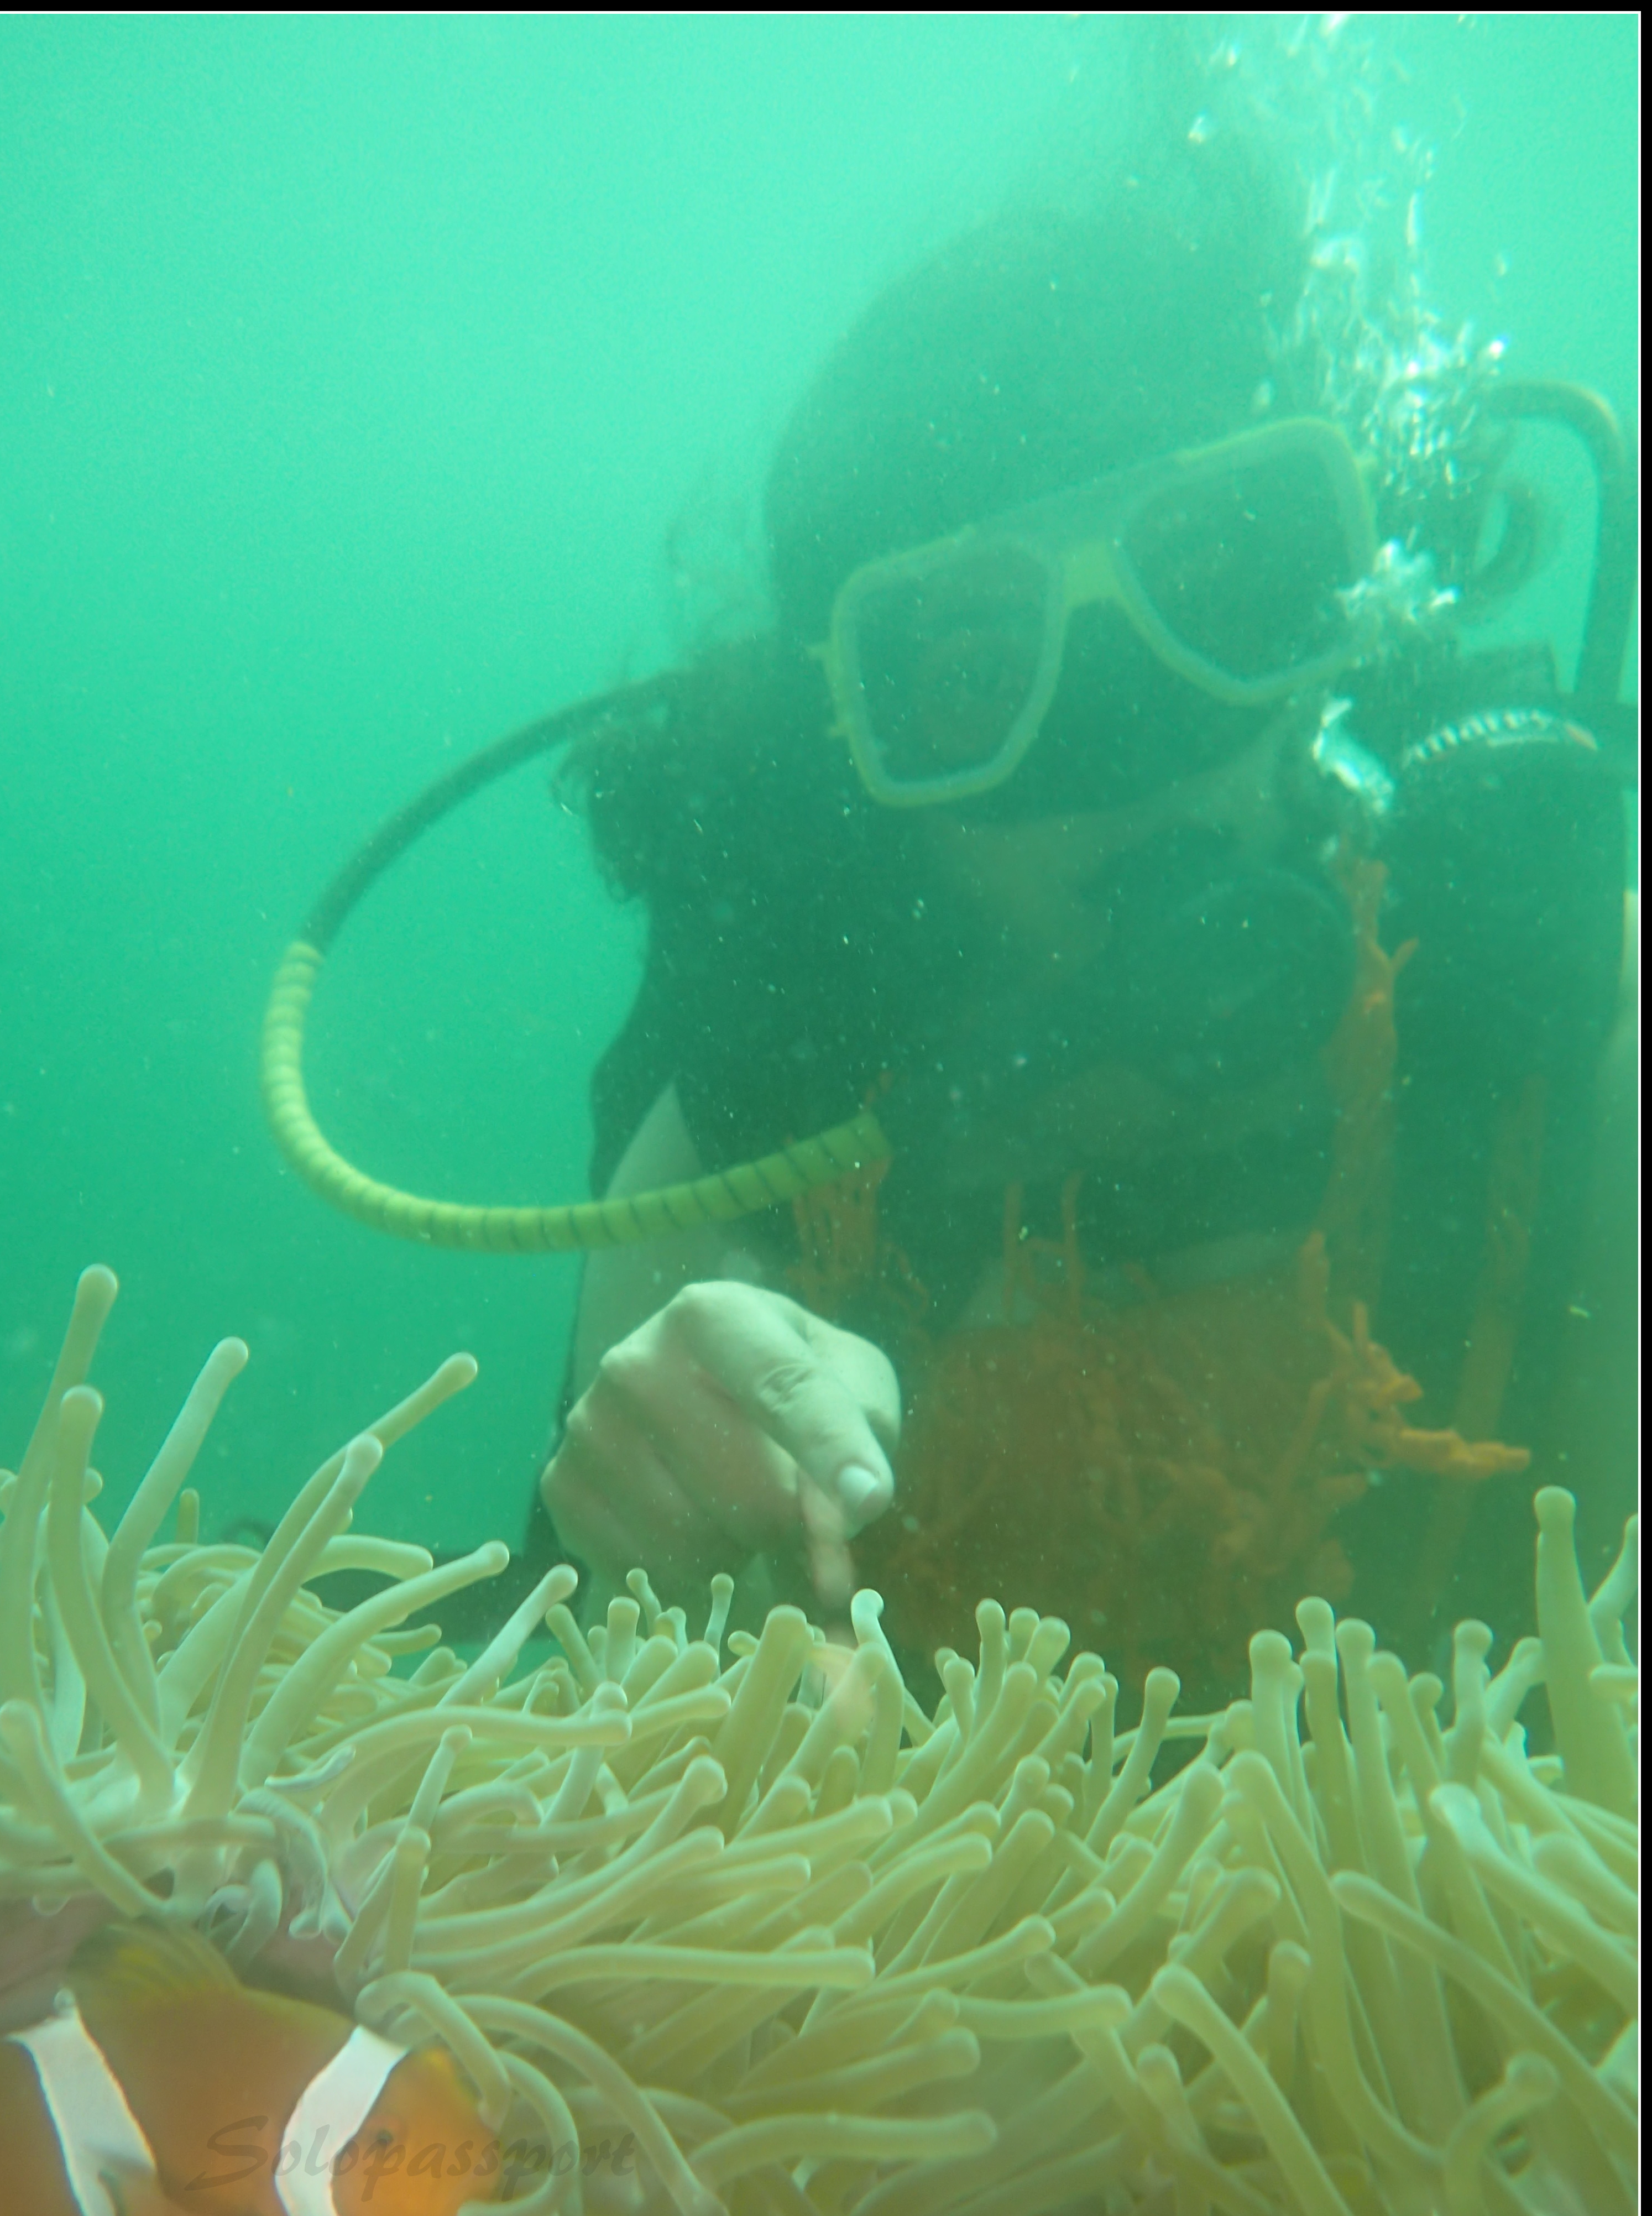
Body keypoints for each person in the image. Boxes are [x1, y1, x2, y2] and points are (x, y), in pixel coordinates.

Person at [530, 138, 1633, 1701]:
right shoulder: (770, 1116)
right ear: (859, 753)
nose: (1134, 750)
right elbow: (599, 1714)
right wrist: (676, 1530)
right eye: (978, 675)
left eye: (1230, 584)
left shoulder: (1563, 1036)